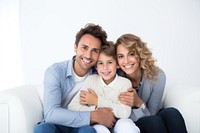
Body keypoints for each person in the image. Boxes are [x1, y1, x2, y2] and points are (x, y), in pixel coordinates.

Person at [34, 23, 117, 133]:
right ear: (75, 47)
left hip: (82, 126)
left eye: (95, 51)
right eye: (84, 48)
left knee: (88, 132)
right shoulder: (55, 71)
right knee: (42, 129)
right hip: (56, 124)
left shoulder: (100, 74)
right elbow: (51, 113)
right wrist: (92, 116)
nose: (88, 55)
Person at [115, 33, 187, 133]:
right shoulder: (115, 77)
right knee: (154, 121)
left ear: (140, 55)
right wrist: (138, 105)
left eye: (131, 54)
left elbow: (153, 112)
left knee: (172, 113)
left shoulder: (157, 75)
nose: (126, 61)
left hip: (152, 116)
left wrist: (138, 102)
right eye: (121, 56)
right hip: (130, 122)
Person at [68, 41, 140, 133]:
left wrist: (97, 101)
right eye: (100, 63)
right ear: (96, 67)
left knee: (126, 125)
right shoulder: (91, 81)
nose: (105, 67)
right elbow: (72, 107)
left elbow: (125, 113)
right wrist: (98, 112)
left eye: (109, 62)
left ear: (117, 64)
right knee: (100, 130)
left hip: (119, 122)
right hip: (98, 123)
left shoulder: (124, 83)